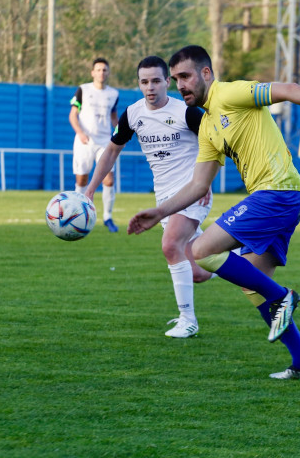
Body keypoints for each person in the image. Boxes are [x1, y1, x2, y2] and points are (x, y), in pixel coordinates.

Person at [128, 45, 300, 380]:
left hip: (278, 192)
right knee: (253, 286)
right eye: (176, 79)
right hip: (280, 199)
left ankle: (283, 297)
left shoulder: (231, 93)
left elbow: (289, 90)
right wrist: (159, 212)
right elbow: (198, 185)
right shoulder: (210, 126)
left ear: (206, 73)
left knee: (201, 250)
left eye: (185, 76)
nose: (180, 84)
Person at [85, 56, 215, 338]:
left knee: (170, 246)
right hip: (164, 200)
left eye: (156, 81)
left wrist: (204, 184)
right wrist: (90, 189)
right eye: (144, 82)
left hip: (191, 192)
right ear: (139, 84)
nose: (150, 87)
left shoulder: (187, 113)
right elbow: (110, 151)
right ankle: (242, 254)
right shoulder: (132, 114)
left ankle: (188, 320)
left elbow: (218, 144)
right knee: (199, 272)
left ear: (167, 81)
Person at [69, 57, 120, 233]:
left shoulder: (114, 94)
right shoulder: (83, 90)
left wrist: (122, 131)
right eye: (98, 70)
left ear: (108, 73)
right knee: (82, 179)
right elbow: (73, 115)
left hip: (105, 141)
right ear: (92, 72)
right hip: (84, 141)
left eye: (105, 70)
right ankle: (78, 214)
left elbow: (114, 118)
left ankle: (108, 217)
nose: (101, 73)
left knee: (109, 179)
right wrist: (80, 133)